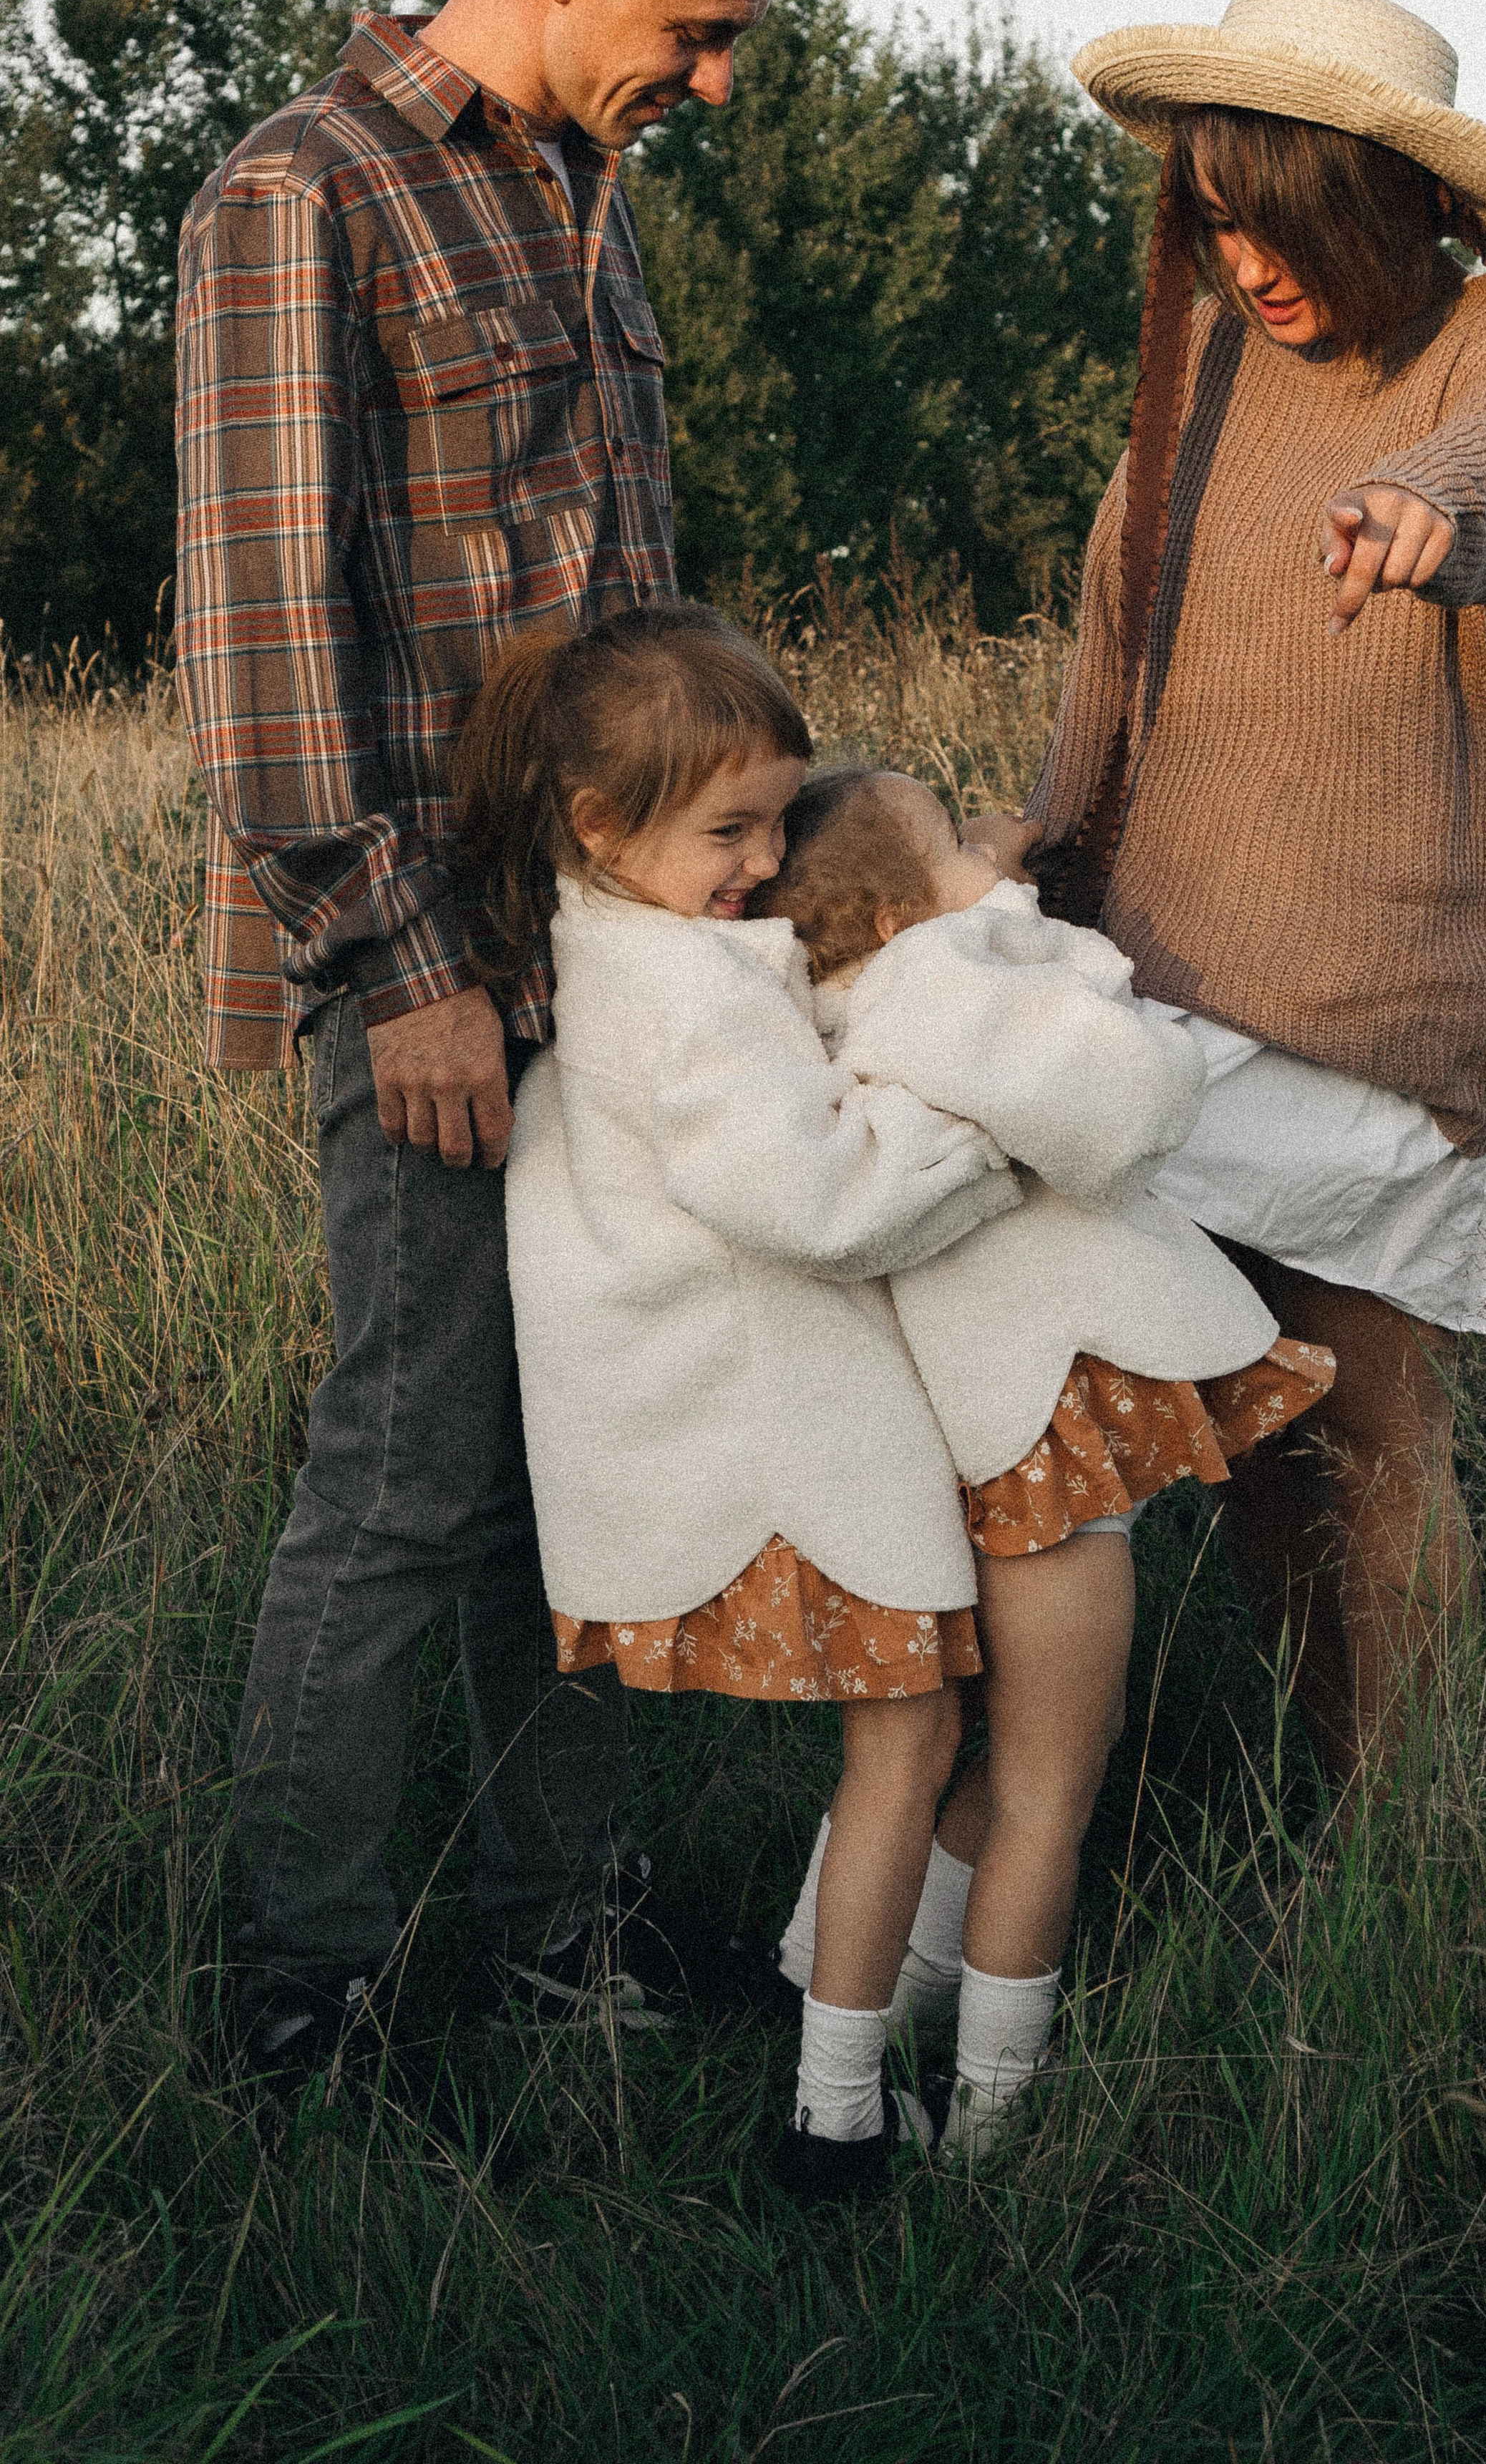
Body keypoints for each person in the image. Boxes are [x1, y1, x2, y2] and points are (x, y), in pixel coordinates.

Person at [171, 0, 800, 2085]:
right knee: (409, 1475)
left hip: (606, 971)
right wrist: (396, 961)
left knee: (583, 1455)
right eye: (700, 30)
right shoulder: (301, 198)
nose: (716, 82)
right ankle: (300, 2010)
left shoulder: (590, 202)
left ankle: (572, 1942)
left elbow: (609, 623)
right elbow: (258, 640)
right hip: (419, 976)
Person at [963, 0, 1486, 1818]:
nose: (1245, 257)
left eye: (1284, 214)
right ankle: (1297, 1805)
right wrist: (1018, 875)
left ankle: (1404, 1857)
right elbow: (1110, 663)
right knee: (1251, 1463)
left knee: (1369, 1450)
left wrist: (1427, 501)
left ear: (1396, 199)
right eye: (1213, 211)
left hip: (1367, 1028)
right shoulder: (1199, 376)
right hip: (1159, 1013)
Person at [452, 607, 1022, 2199]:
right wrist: (995, 1139)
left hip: (746, 1421)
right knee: (907, 1737)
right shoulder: (680, 997)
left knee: (912, 1735)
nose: (766, 860)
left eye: (781, 816)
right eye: (731, 828)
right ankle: (831, 2119)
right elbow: (825, 1204)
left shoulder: (607, 946)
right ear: (597, 824)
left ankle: (818, 1987)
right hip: (782, 1443)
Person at [754, 767, 1334, 2151]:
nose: (985, 841)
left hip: (959, 1446)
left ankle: (872, 2016)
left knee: (967, 1765)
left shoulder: (837, 1025)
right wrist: (1011, 907)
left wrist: (977, 885)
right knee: (1051, 1791)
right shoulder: (942, 990)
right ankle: (996, 2125)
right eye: (953, 832)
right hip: (1044, 1446)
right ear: (902, 911)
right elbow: (1120, 1099)